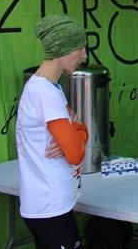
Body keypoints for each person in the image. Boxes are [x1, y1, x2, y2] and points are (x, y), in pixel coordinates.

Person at [16, 14, 89, 249]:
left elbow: (79, 132)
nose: (84, 55)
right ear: (62, 49)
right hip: (50, 206)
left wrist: (76, 133)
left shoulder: (47, 86)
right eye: (79, 48)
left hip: (44, 203)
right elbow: (75, 154)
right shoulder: (46, 94)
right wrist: (76, 133)